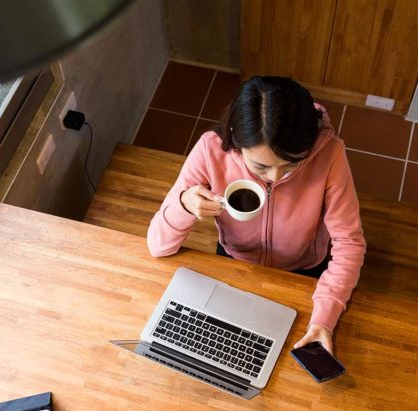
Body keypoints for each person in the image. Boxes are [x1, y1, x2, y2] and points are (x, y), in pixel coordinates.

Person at [146, 76, 365, 354]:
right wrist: (184, 205)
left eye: (291, 165)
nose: (275, 177)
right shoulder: (210, 149)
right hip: (234, 262)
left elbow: (350, 243)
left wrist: (325, 318)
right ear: (236, 139)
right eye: (261, 167)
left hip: (305, 270)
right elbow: (157, 246)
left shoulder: (330, 154)